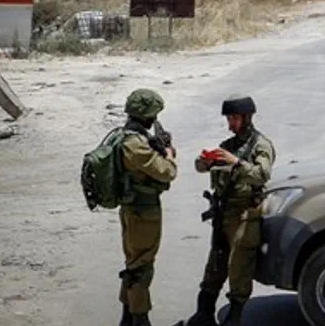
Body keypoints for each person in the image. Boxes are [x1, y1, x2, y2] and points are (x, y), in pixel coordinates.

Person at [183, 94, 276, 326]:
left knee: (239, 268)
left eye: (234, 118)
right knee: (215, 265)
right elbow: (201, 166)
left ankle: (235, 316)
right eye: (229, 119)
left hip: (245, 216)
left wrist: (236, 163)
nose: (230, 124)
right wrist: (205, 162)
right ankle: (204, 313)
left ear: (246, 117)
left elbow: (262, 174)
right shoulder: (229, 145)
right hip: (222, 214)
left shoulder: (260, 145)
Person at [118, 88, 178, 326]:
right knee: (142, 267)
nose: (156, 120)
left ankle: (128, 316)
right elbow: (167, 173)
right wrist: (169, 154)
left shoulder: (127, 137)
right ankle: (141, 319)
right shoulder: (135, 145)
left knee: (133, 263)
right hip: (143, 212)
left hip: (132, 209)